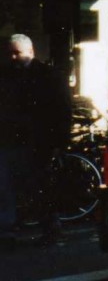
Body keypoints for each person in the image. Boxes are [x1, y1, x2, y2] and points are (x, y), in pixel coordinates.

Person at [0, 34, 71, 247]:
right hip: (11, 139)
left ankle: (50, 226)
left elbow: (63, 110)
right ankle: (8, 231)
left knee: (37, 186)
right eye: (10, 53)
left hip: (38, 141)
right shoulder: (9, 75)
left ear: (30, 52)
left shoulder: (49, 75)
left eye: (17, 53)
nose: (13, 57)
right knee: (7, 186)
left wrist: (59, 143)